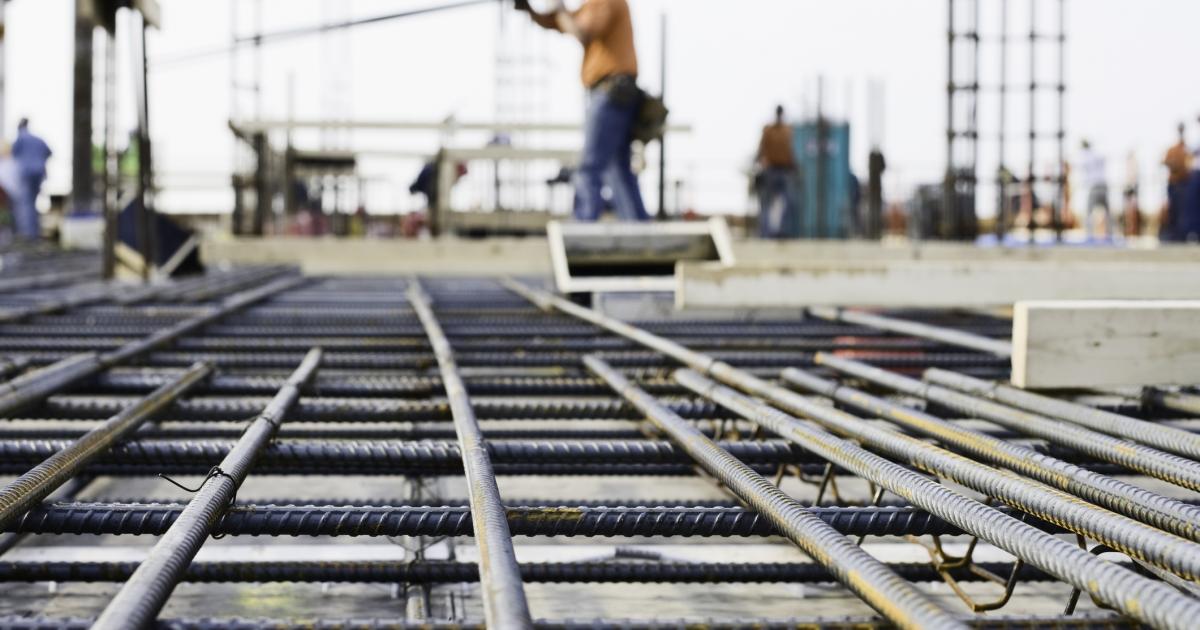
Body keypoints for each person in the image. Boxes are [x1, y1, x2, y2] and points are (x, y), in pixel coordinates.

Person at [520, 0, 649, 222]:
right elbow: (561, 23)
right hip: (614, 93)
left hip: (611, 92)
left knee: (590, 166)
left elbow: (581, 31)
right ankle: (639, 228)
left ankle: (583, 224)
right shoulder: (592, 5)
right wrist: (530, 10)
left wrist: (558, 7)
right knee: (617, 167)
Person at [755, 105, 797, 239]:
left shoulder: (788, 130)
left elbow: (791, 150)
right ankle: (765, 233)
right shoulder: (769, 130)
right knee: (766, 203)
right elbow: (761, 149)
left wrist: (793, 166)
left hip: (785, 170)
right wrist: (761, 163)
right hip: (771, 170)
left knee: (789, 202)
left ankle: (782, 231)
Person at [10, 118, 52, 240]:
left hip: (27, 173)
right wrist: (39, 161)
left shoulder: (20, 138)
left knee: (26, 203)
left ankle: (29, 234)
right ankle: (35, 232)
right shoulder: (38, 139)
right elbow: (49, 152)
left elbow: (13, 154)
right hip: (39, 172)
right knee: (33, 202)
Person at [1162, 123, 1191, 241]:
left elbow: (1189, 166)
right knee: (1173, 210)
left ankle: (1181, 234)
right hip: (1174, 184)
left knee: (1183, 211)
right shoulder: (1172, 150)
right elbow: (1165, 162)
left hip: (1183, 184)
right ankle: (1173, 234)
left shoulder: (1186, 150)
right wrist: (1174, 165)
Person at [1079, 139, 1110, 240]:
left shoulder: (1086, 155)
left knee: (1089, 212)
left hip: (1094, 186)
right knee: (1107, 212)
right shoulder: (1098, 154)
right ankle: (1109, 234)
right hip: (1103, 185)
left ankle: (1089, 235)